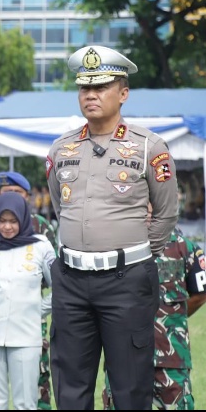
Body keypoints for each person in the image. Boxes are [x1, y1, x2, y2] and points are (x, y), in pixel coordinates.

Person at [46, 45, 179, 409]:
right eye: (85, 88)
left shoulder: (150, 147)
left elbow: (166, 213)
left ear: (123, 93)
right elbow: (61, 206)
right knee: (70, 386)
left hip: (127, 281)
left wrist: (130, 257)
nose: (91, 95)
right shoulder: (61, 149)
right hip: (71, 280)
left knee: (130, 387)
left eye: (101, 87)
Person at [0, 171, 57, 410]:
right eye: (2, 221)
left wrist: (37, 310)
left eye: (13, 221)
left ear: (23, 217)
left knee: (26, 402)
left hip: (26, 336)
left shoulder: (41, 246)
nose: (7, 227)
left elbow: (60, 290)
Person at [102, 224, 206, 410]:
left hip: (172, 356)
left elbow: (201, 293)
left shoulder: (183, 246)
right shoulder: (114, 245)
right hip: (123, 356)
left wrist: (174, 319)